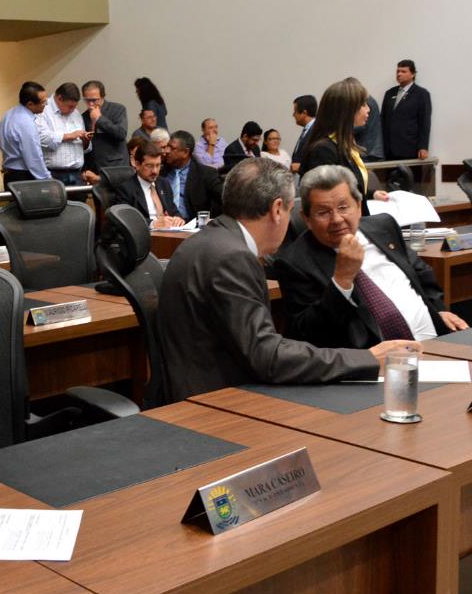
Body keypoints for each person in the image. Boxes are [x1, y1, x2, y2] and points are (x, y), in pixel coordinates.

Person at [157, 157, 416, 403]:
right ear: (277, 209)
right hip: (214, 402)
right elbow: (266, 356)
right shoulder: (232, 257)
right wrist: (367, 359)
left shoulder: (211, 241)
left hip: (204, 386)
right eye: (292, 211)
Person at [275, 165, 466, 348]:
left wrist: (439, 310)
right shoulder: (294, 263)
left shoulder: (384, 226)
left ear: (359, 206)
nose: (337, 219)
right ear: (307, 218)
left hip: (436, 340)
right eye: (323, 212)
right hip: (376, 359)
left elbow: (422, 274)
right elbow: (309, 332)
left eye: (343, 207)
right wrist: (342, 280)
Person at [298, 77, 389, 213]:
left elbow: (349, 189)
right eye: (363, 104)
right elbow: (329, 200)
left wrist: (372, 194)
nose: (368, 109)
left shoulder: (345, 145)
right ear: (347, 110)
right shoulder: (323, 151)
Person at [112, 141, 182, 228]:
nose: (155, 171)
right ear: (137, 165)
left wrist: (178, 219)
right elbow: (126, 218)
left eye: (158, 165)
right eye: (149, 166)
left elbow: (173, 210)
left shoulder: (164, 184)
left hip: (168, 233)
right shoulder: (126, 189)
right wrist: (152, 224)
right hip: (144, 234)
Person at [161, 129, 222, 222]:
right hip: (165, 224)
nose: (166, 151)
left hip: (194, 225)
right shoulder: (160, 173)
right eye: (167, 147)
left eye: (172, 148)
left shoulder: (205, 174)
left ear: (185, 152)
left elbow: (224, 200)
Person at [36, 82, 89, 186]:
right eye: (70, 106)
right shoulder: (43, 110)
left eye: (74, 106)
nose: (73, 110)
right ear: (59, 98)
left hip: (77, 173)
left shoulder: (76, 113)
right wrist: (70, 135)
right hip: (53, 174)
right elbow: (42, 138)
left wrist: (85, 140)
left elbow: (84, 147)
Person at [0, 81, 50, 187]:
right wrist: (47, 180)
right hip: (24, 177)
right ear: (30, 104)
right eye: (43, 102)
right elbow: (33, 157)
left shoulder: (8, 114)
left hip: (9, 175)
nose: (46, 105)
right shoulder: (26, 122)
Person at [382, 59, 432, 161]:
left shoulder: (421, 94)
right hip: (389, 150)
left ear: (413, 74)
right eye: (398, 71)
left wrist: (423, 147)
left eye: (403, 71)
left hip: (409, 149)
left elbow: (424, 122)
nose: (399, 74)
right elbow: (383, 119)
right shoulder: (389, 93)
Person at [81, 80, 129, 183]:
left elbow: (121, 133)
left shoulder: (118, 109)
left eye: (94, 100)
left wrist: (99, 119)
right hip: (94, 169)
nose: (91, 104)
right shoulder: (84, 116)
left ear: (103, 97)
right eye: (87, 100)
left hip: (115, 167)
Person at [355, 95, 384, 162]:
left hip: (367, 152)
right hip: (371, 150)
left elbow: (357, 126)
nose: (368, 109)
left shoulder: (361, 98)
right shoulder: (365, 98)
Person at [291, 95, 318, 166]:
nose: (293, 115)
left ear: (304, 113)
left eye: (295, 111)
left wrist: (300, 167)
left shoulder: (317, 131)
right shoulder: (306, 130)